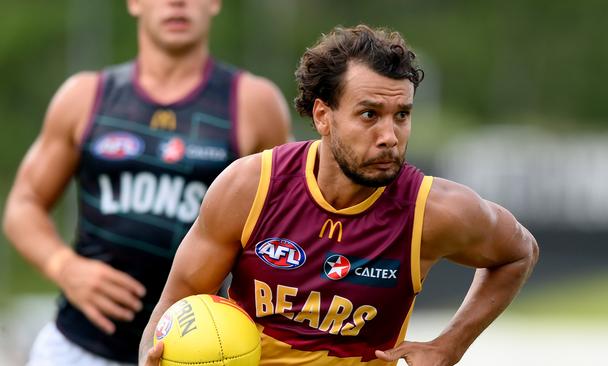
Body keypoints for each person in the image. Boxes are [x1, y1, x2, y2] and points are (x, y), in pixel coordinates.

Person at [139, 24, 538, 366]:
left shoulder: (432, 210)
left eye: (402, 115)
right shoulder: (250, 187)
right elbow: (175, 305)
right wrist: (151, 357)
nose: (389, 137)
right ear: (322, 116)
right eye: (369, 115)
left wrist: (451, 345)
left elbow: (519, 251)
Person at [2, 0, 292, 365]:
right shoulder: (85, 96)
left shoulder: (253, 102)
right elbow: (24, 205)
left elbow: (290, 223)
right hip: (80, 345)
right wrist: (65, 267)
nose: (177, 3)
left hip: (194, 353)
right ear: (134, 3)